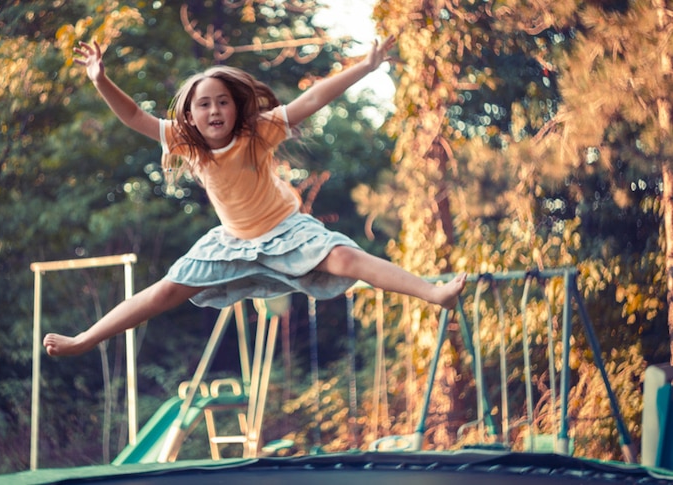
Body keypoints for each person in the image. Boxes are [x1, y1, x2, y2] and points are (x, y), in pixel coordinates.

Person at [43, 36, 467, 357]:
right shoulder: (183, 140)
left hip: (285, 229)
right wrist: (101, 79)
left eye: (222, 102)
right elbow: (134, 115)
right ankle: (85, 340)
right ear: (190, 115)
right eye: (204, 104)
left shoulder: (257, 131)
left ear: (236, 107)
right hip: (232, 241)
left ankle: (434, 293)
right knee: (163, 292)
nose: (214, 111)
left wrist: (367, 66)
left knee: (346, 258)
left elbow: (313, 97)